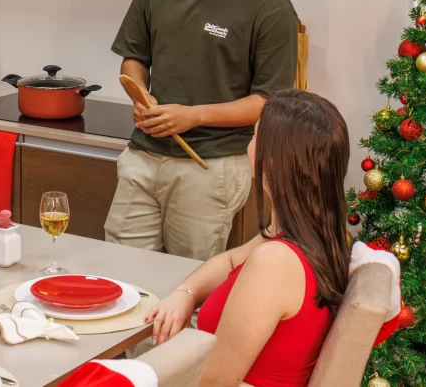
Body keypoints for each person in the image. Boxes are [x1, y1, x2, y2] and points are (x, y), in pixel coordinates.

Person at [105, 0, 299, 261]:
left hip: (210, 168)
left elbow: (268, 102)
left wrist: (191, 117)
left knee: (185, 284)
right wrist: (140, 95)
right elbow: (134, 57)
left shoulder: (270, 7)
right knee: (121, 271)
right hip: (142, 156)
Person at [146, 89, 350, 387]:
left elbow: (215, 380)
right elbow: (229, 259)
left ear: (274, 161)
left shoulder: (276, 262)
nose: (248, 146)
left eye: (254, 137)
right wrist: (185, 293)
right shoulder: (312, 236)